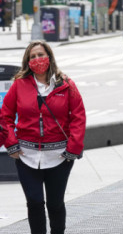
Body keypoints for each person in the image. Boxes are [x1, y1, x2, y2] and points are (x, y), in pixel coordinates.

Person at [0, 41, 86, 234]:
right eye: (32, 56)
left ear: (49, 57)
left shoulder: (66, 84)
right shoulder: (19, 84)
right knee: (35, 202)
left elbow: (78, 117)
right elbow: (5, 116)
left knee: (55, 204)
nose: (37, 59)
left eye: (41, 54)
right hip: (26, 156)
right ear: (27, 61)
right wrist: (11, 144)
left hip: (59, 157)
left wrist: (73, 148)